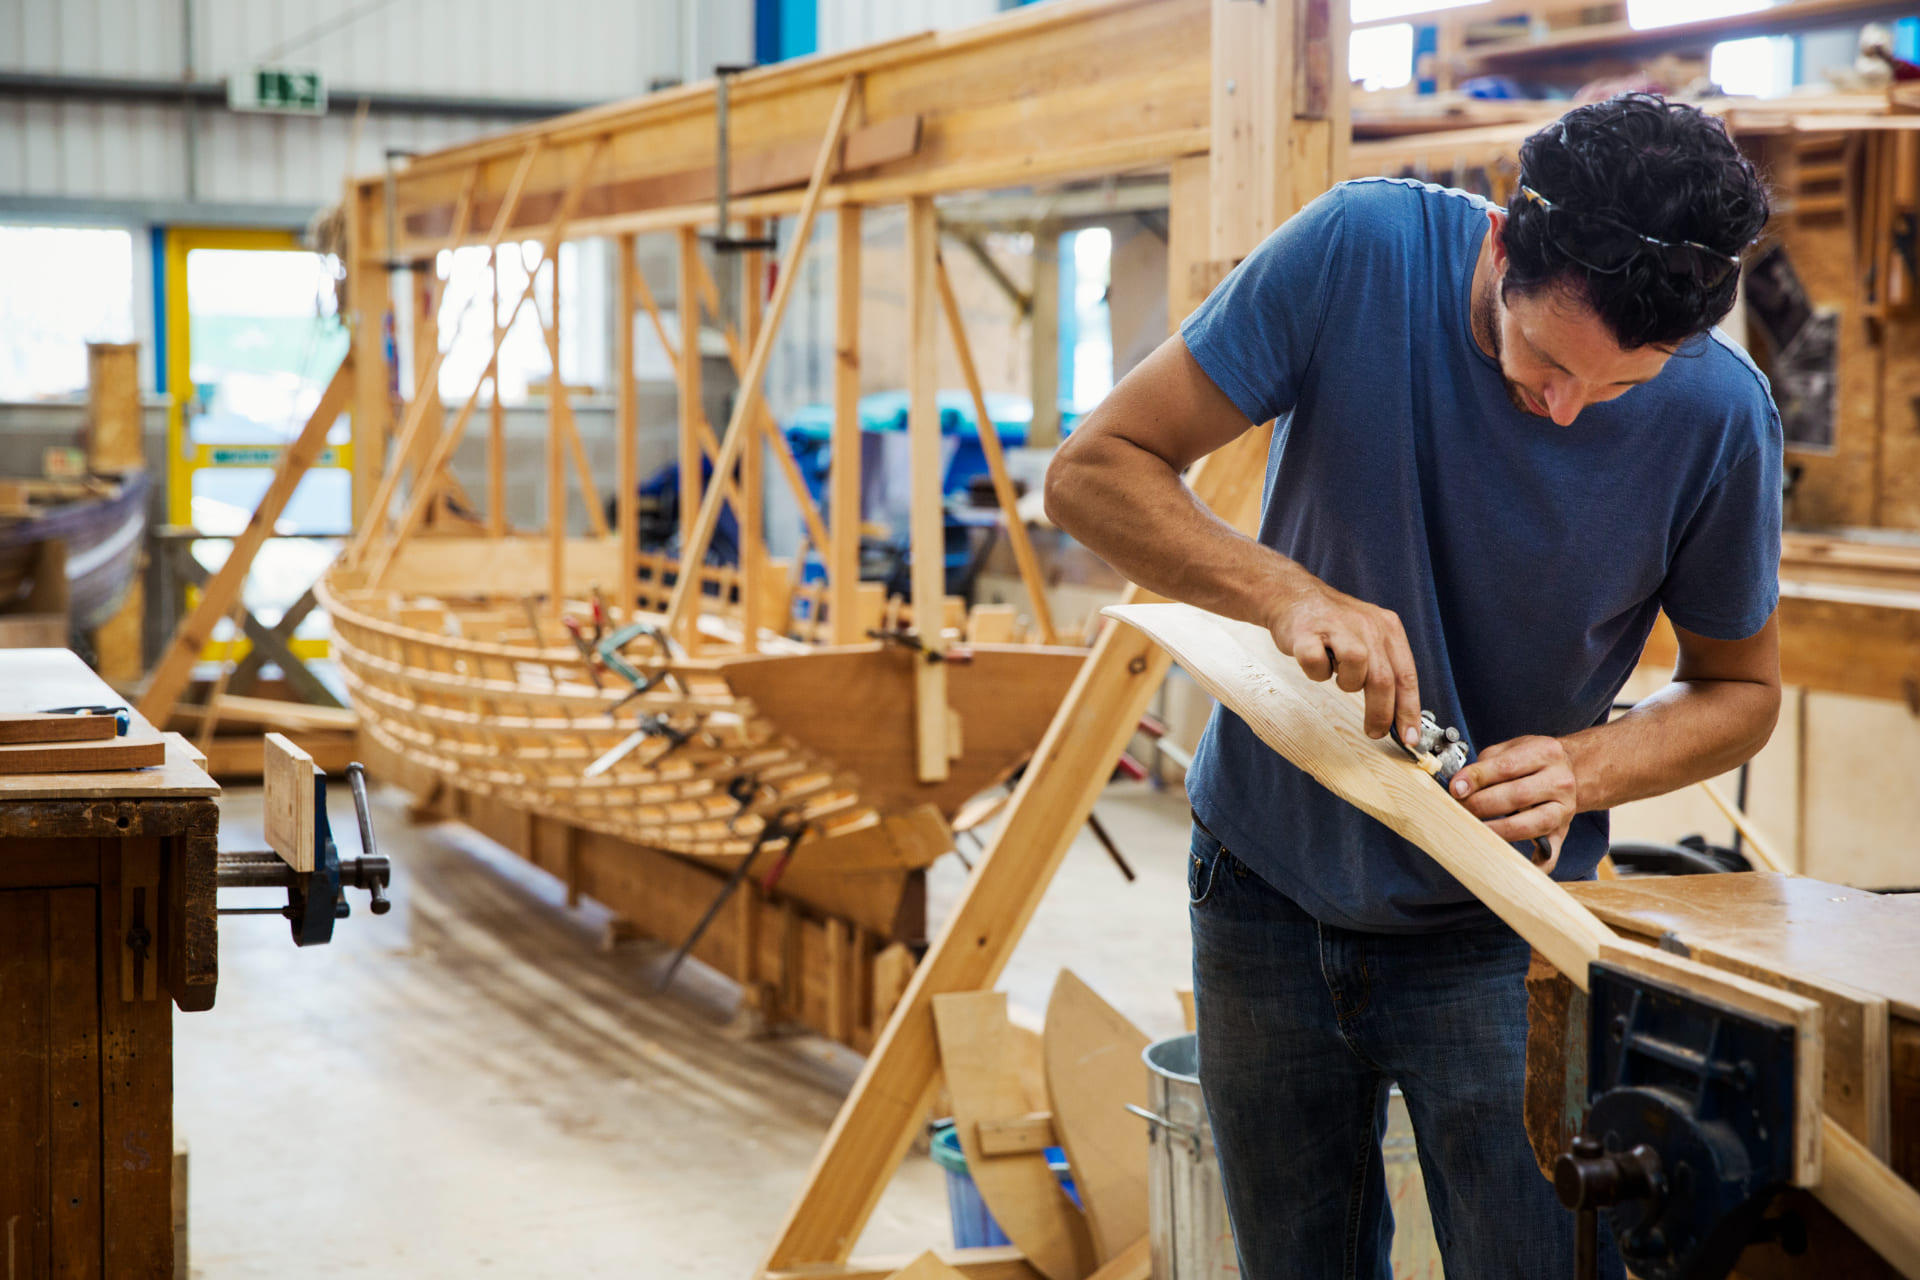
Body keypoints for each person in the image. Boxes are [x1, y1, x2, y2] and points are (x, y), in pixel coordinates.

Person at [1044, 93, 1779, 1279]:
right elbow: (1091, 472)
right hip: (1264, 882)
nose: (1562, 410)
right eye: (1545, 359)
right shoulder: (1361, 253)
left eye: (1615, 389)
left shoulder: (1720, 416)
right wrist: (1286, 592)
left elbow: (1740, 692)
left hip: (1502, 919)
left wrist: (1584, 764)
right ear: (1500, 242)